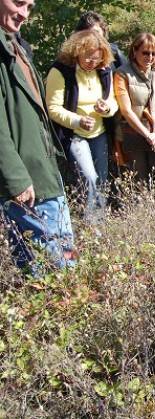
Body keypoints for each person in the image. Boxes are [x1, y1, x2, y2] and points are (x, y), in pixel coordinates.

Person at [0, 0, 76, 273]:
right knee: (60, 266)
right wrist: (17, 178)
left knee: (40, 263)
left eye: (29, 7)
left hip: (42, 171)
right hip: (28, 179)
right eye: (18, 3)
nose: (24, 14)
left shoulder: (14, 44)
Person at [45, 30, 118, 222]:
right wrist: (78, 120)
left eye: (97, 59)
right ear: (76, 51)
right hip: (75, 134)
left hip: (100, 133)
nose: (92, 63)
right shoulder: (60, 71)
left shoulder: (104, 71)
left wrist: (106, 109)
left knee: (101, 180)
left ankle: (99, 223)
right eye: (88, 58)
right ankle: (90, 225)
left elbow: (112, 101)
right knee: (89, 178)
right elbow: (53, 108)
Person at [114, 32, 155, 188]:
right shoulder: (122, 73)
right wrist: (147, 134)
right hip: (133, 134)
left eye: (154, 53)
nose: (150, 57)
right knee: (139, 182)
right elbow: (126, 110)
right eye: (146, 53)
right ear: (135, 51)